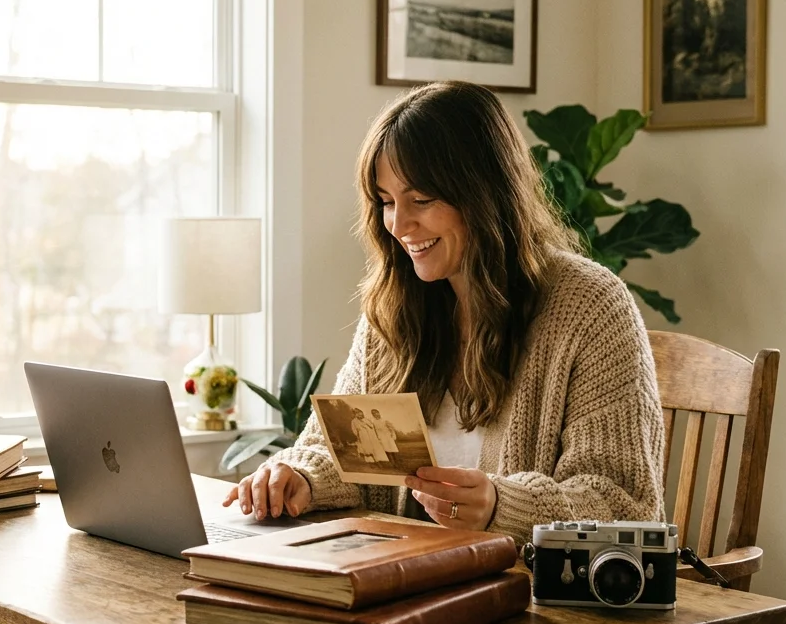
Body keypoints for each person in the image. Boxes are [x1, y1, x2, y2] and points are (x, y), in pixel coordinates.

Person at [223, 80, 665, 539]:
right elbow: (338, 451)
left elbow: (622, 503)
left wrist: (500, 505)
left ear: (485, 193)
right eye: (386, 201)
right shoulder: (396, 302)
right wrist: (299, 476)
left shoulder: (590, 307)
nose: (398, 224)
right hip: (406, 582)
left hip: (524, 594)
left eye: (422, 200)